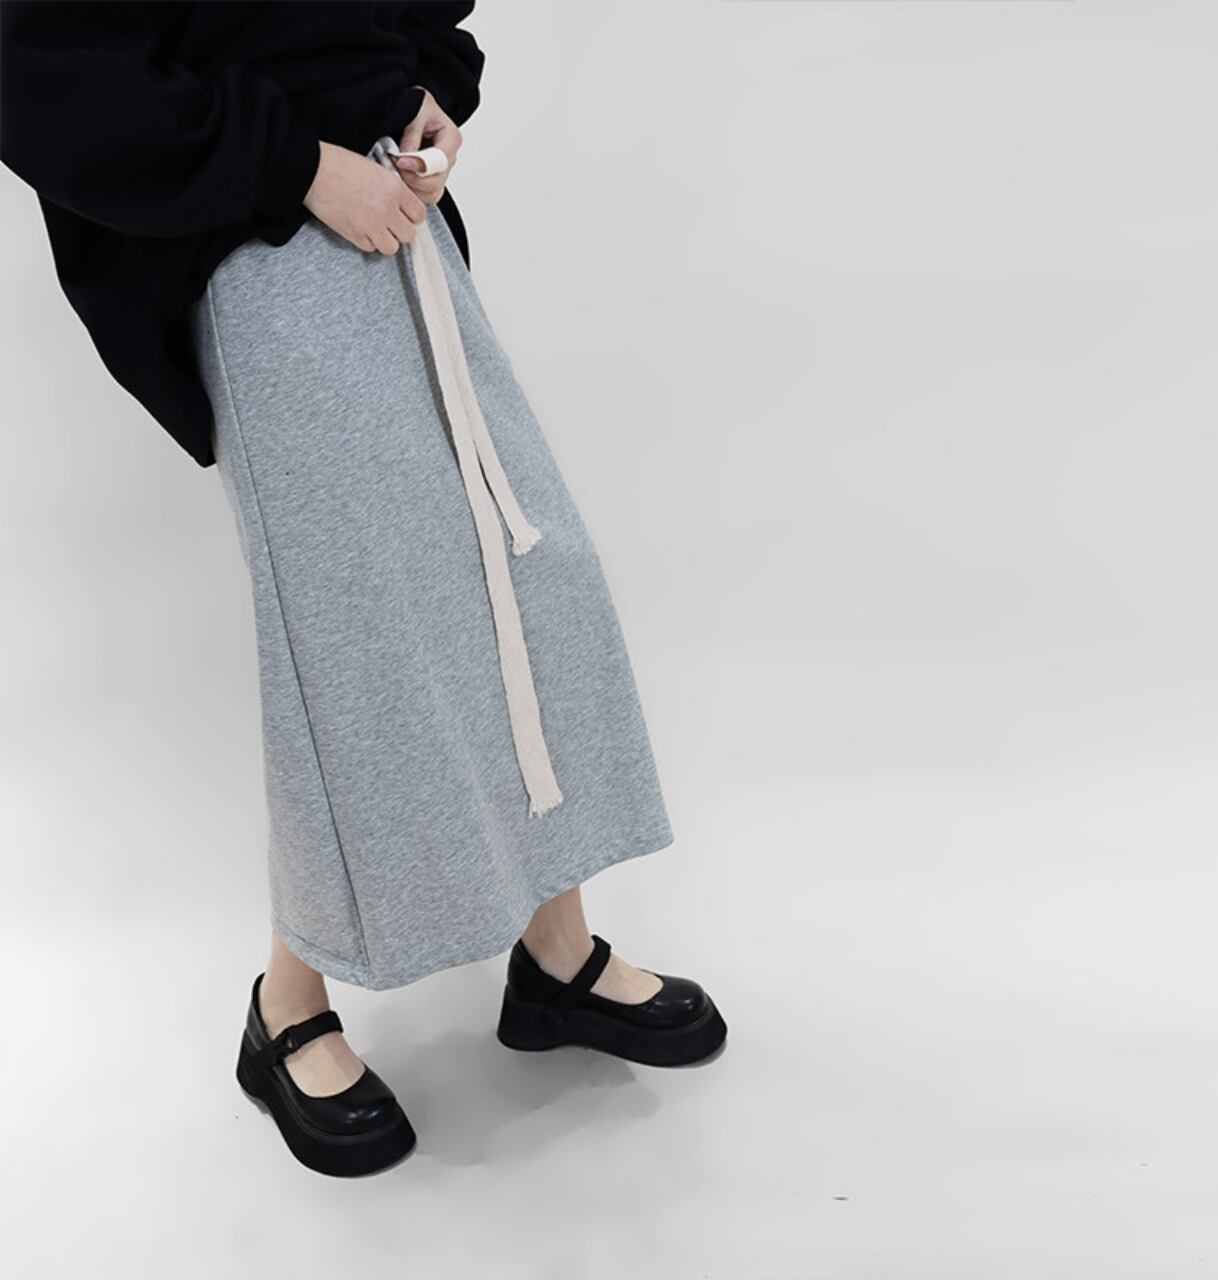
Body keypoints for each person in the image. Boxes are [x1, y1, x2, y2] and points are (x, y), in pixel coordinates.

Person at [0, 0, 727, 1178]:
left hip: (398, 214)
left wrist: (424, 89)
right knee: (357, 631)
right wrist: (296, 166)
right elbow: (41, 69)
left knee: (527, 570)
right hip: (258, 237)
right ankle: (286, 1005)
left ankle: (554, 954)